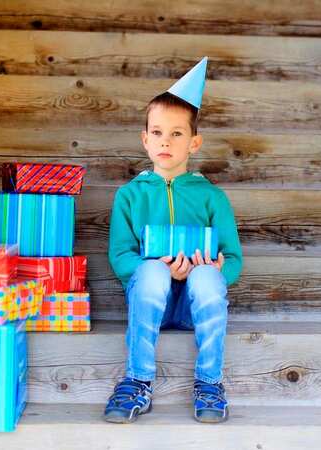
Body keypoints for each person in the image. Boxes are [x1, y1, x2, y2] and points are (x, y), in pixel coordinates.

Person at [103, 57, 243, 424]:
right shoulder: (130, 196)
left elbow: (233, 257)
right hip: (149, 303)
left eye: (177, 133)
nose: (166, 141)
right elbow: (120, 255)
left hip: (196, 307)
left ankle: (210, 382)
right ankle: (137, 380)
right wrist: (157, 267)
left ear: (194, 142)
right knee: (150, 272)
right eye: (158, 132)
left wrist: (219, 268)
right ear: (145, 139)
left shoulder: (211, 197)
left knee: (207, 277)